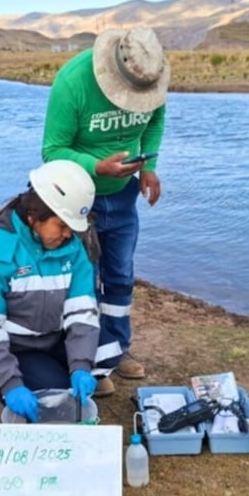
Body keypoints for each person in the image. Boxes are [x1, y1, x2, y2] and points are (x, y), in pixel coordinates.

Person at [41, 27, 170, 396]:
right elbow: (52, 151)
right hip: (78, 202)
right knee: (84, 281)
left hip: (124, 198)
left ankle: (115, 351)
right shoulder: (72, 82)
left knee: (120, 277)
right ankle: (85, 359)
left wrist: (148, 166)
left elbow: (156, 120)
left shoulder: (149, 70)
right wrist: (97, 167)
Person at [0, 161, 99, 423]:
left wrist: (81, 365)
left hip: (53, 337)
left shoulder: (73, 248)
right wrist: (10, 384)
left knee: (84, 372)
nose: (69, 235)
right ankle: (4, 385)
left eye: (73, 227)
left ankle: (63, 371)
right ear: (35, 215)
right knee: (54, 399)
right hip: (16, 346)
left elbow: (82, 313)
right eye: (62, 225)